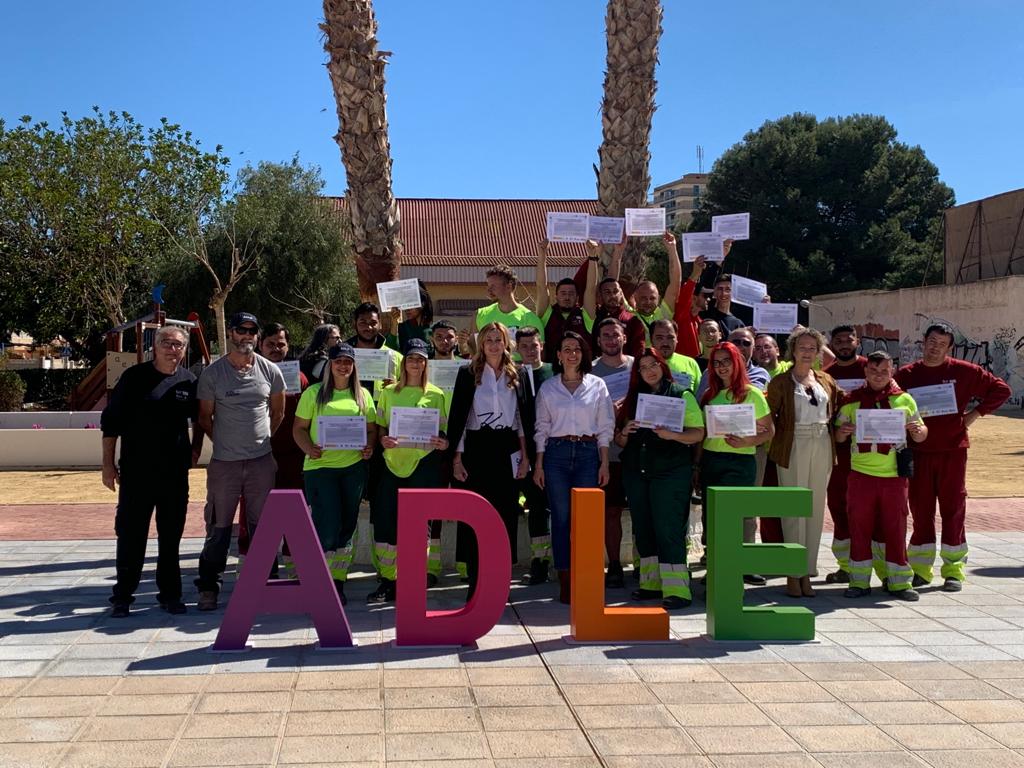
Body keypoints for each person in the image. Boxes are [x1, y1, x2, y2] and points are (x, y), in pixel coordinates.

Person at [896, 324, 1011, 591]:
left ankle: (953, 570)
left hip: (952, 452)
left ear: (950, 348)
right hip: (919, 453)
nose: (935, 347)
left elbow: (1001, 390)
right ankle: (921, 569)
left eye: (942, 343)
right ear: (923, 342)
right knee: (921, 510)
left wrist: (974, 415)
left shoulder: (964, 371)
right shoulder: (906, 375)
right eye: (931, 341)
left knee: (953, 509)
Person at [100, 324, 204, 617]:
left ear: (184, 350)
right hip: (137, 472)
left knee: (171, 537)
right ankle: (123, 597)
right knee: (132, 535)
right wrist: (107, 464)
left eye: (178, 345)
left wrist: (196, 448)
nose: (173, 350)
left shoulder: (189, 381)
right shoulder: (134, 378)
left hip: (174, 473)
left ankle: (170, 595)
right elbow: (111, 423)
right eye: (167, 344)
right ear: (155, 347)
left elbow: (200, 419)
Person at [195, 312, 286, 611]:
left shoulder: (271, 371)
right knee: (219, 527)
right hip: (225, 464)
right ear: (231, 334)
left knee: (263, 526)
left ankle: (264, 583)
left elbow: (278, 413)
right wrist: (227, 442)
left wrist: (260, 442)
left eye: (251, 331)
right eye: (240, 330)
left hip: (261, 462)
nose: (246, 336)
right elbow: (204, 419)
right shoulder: (212, 374)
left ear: (257, 336)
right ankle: (209, 586)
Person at [615, 349, 705, 609]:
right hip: (638, 472)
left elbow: (698, 433)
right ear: (638, 373)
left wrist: (673, 436)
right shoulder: (633, 400)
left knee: (669, 529)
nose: (649, 370)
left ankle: (678, 590)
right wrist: (625, 431)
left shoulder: (680, 394)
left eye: (653, 364)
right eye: (643, 367)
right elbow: (619, 440)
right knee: (643, 528)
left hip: (671, 471)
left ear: (662, 366)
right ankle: (651, 585)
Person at [835, 351, 928, 601]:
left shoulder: (904, 400)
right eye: (873, 371)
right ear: (865, 372)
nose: (878, 376)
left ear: (892, 371)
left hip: (894, 478)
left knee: (896, 529)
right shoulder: (850, 400)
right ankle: (858, 581)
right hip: (861, 476)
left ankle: (899, 582)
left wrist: (919, 431)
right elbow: (838, 436)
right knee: (859, 528)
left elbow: (921, 432)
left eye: (884, 371)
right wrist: (843, 432)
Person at [447, 323, 530, 596]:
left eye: (499, 339)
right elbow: (459, 417)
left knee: (505, 513)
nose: (494, 345)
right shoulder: (468, 373)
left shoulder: (518, 374)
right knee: (474, 514)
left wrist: (525, 456)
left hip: (506, 447)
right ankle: (474, 580)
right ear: (480, 344)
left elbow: (521, 420)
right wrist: (457, 459)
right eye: (489, 340)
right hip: (476, 447)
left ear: (507, 342)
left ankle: (498, 580)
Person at [292, 343, 377, 605]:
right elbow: (299, 429)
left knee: (347, 527)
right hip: (321, 469)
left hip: (352, 470)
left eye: (348, 362)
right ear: (330, 365)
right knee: (326, 527)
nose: (343, 366)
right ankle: (320, 580)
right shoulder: (314, 394)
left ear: (354, 366)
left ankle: (338, 581)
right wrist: (309, 448)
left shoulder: (362, 395)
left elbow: (372, 430)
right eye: (338, 361)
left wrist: (369, 447)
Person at [534, 332, 615, 604]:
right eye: (566, 349)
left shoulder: (597, 385)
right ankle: (566, 581)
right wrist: (539, 464)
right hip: (555, 455)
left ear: (584, 354)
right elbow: (541, 428)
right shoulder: (548, 388)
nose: (572, 354)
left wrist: (604, 462)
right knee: (561, 518)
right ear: (557, 355)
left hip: (588, 454)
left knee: (587, 519)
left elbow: (605, 427)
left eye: (577, 349)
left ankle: (588, 578)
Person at [370, 338, 449, 603]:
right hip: (392, 464)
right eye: (411, 358)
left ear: (426, 363)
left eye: (420, 359)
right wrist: (383, 440)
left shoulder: (437, 394)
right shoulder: (389, 392)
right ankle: (388, 578)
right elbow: (381, 426)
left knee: (420, 523)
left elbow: (444, 430)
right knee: (386, 522)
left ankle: (415, 577)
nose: (415, 363)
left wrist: (443, 441)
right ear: (404, 363)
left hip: (424, 464)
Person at [766, 327, 841, 598]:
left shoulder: (825, 380)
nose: (807, 352)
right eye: (802, 347)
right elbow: (767, 416)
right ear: (793, 351)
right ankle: (792, 573)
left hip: (822, 441)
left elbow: (839, 410)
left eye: (813, 347)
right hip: (793, 444)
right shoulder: (781, 382)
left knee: (814, 509)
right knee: (792, 510)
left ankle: (807, 572)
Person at [699, 341, 775, 584]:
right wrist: (697, 465)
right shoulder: (710, 395)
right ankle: (715, 568)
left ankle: (744, 566)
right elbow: (702, 435)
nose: (721, 367)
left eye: (726, 362)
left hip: (741, 460)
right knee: (713, 518)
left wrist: (747, 441)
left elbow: (769, 431)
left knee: (742, 516)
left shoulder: (751, 393)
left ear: (737, 363)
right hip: (712, 460)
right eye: (716, 363)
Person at [822, 324, 869, 583]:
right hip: (838, 453)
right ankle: (846, 565)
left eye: (848, 339)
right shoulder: (825, 375)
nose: (843, 344)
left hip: (871, 454)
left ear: (857, 342)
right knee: (839, 508)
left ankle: (877, 564)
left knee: (869, 510)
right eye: (838, 340)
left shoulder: (870, 369)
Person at [591, 318, 635, 588]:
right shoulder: (591, 371)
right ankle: (614, 564)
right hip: (608, 454)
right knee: (610, 512)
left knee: (644, 510)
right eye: (605, 335)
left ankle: (646, 565)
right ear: (598, 341)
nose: (610, 339)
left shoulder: (637, 366)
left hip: (638, 451)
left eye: (615, 334)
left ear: (624, 338)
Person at [514, 327, 555, 584]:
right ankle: (539, 561)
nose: (530, 350)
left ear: (541, 345)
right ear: (517, 349)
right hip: (521, 449)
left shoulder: (554, 372)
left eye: (534, 345)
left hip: (553, 449)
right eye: (525, 346)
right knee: (536, 506)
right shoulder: (512, 375)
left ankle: (556, 560)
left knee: (551, 504)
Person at [536, 239, 599, 363]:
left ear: (577, 298)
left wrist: (592, 257)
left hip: (581, 372)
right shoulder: (546, 314)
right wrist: (542, 254)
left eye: (571, 294)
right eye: (563, 293)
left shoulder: (586, 315)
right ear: (556, 296)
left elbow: (591, 288)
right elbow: (541, 286)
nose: (567, 297)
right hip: (553, 372)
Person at [469, 264, 544, 354]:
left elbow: (539, 355)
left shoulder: (530, 319)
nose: (489, 290)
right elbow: (474, 351)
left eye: (493, 286)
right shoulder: (480, 314)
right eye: (488, 286)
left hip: (517, 367)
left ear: (509, 286)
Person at [624, 232, 682, 346]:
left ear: (659, 299)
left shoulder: (663, 315)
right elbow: (611, 285)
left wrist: (672, 250)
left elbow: (675, 282)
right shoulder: (629, 315)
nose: (648, 302)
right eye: (643, 298)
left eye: (652, 298)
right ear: (635, 298)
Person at [696, 327, 771, 400]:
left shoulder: (761, 374)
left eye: (746, 343)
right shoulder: (711, 372)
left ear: (753, 348)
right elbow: (700, 402)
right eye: (736, 342)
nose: (741, 347)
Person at [594, 275, 647, 357]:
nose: (612, 296)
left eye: (615, 291)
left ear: (621, 294)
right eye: (608, 292)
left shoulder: (632, 320)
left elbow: (639, 351)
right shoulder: (593, 317)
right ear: (600, 295)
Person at [649, 319, 701, 394]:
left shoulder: (691, 363)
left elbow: (700, 398)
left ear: (677, 338)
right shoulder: (642, 364)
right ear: (651, 340)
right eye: (659, 338)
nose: (665, 343)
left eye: (670, 337)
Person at [386, 279, 435, 354]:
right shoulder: (400, 328)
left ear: (423, 303)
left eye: (411, 303)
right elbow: (390, 351)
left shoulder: (435, 330)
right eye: (405, 304)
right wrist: (394, 323)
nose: (407, 309)